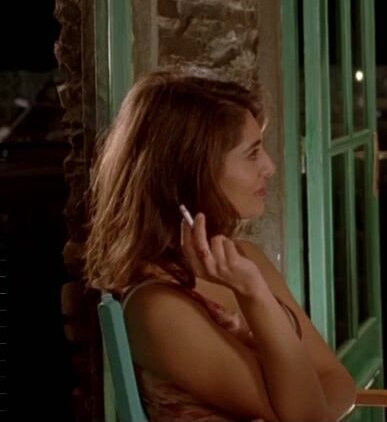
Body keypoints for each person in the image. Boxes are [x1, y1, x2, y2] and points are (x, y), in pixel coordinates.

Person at [83, 69, 356, 422]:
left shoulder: (244, 258)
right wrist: (254, 293)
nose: (270, 167)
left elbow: (337, 380)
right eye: (252, 154)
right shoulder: (158, 308)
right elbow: (309, 416)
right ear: (193, 171)